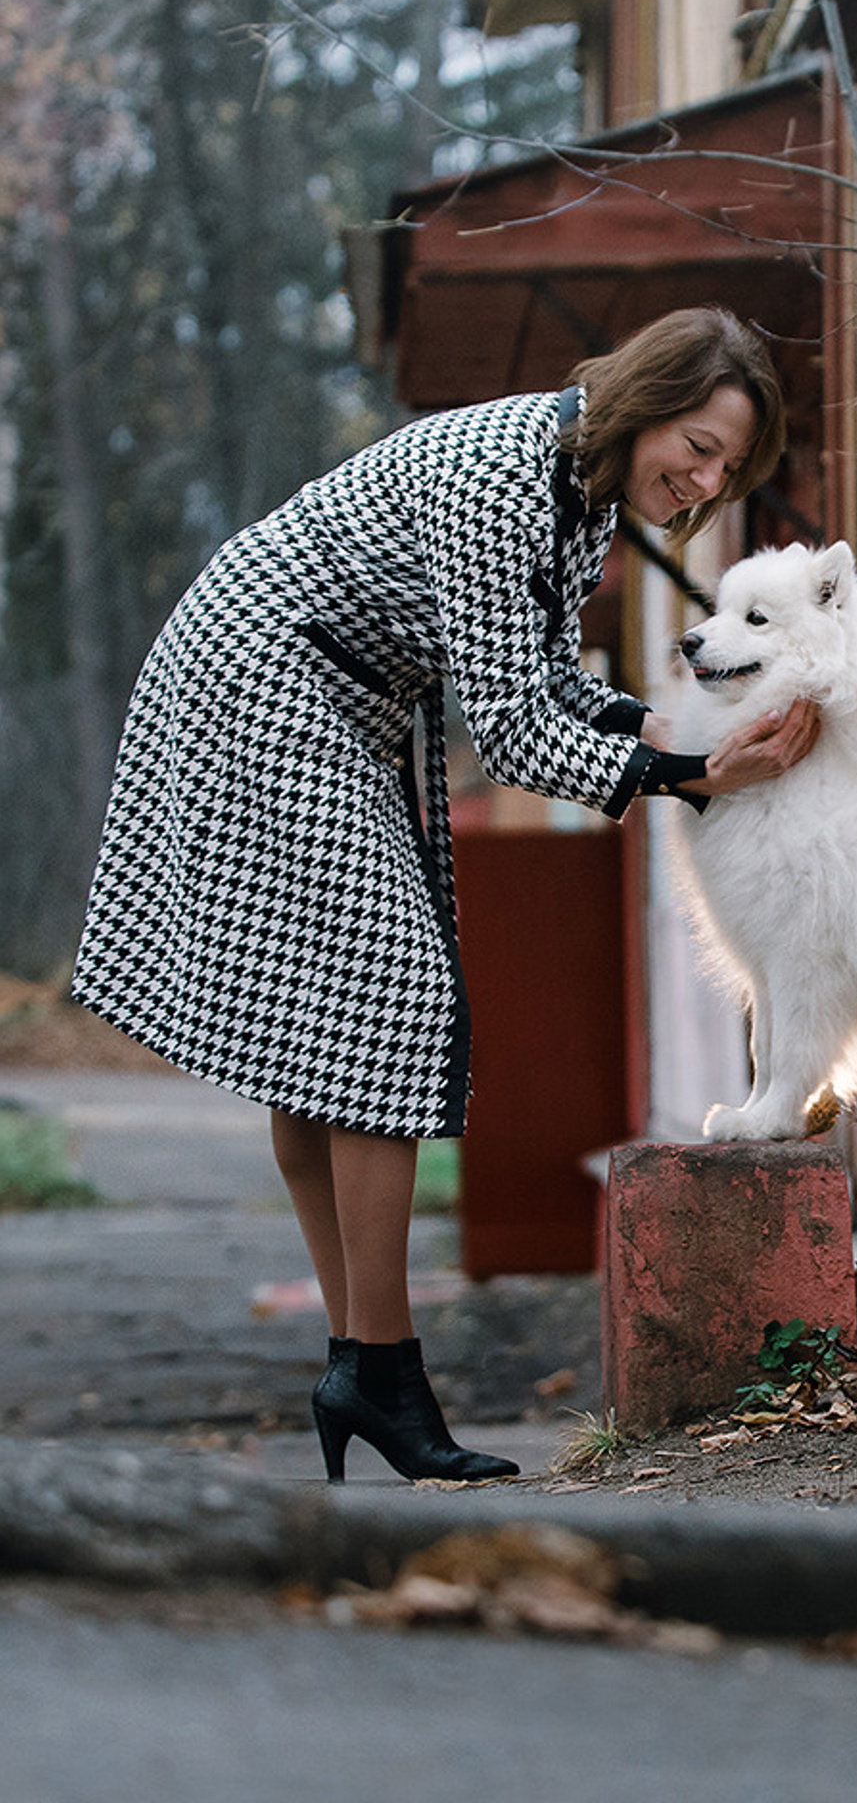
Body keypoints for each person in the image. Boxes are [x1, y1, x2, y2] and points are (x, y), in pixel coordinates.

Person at [70, 305, 819, 1483]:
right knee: (390, 997)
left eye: (728, 463)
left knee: (328, 1026)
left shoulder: (580, 495)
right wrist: (687, 773)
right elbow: (512, 729)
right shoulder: (503, 476)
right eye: (699, 442)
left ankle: (362, 1365)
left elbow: (547, 680)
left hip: (335, 700)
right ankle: (383, 1365)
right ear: (645, 402)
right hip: (260, 674)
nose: (707, 477)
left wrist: (673, 728)